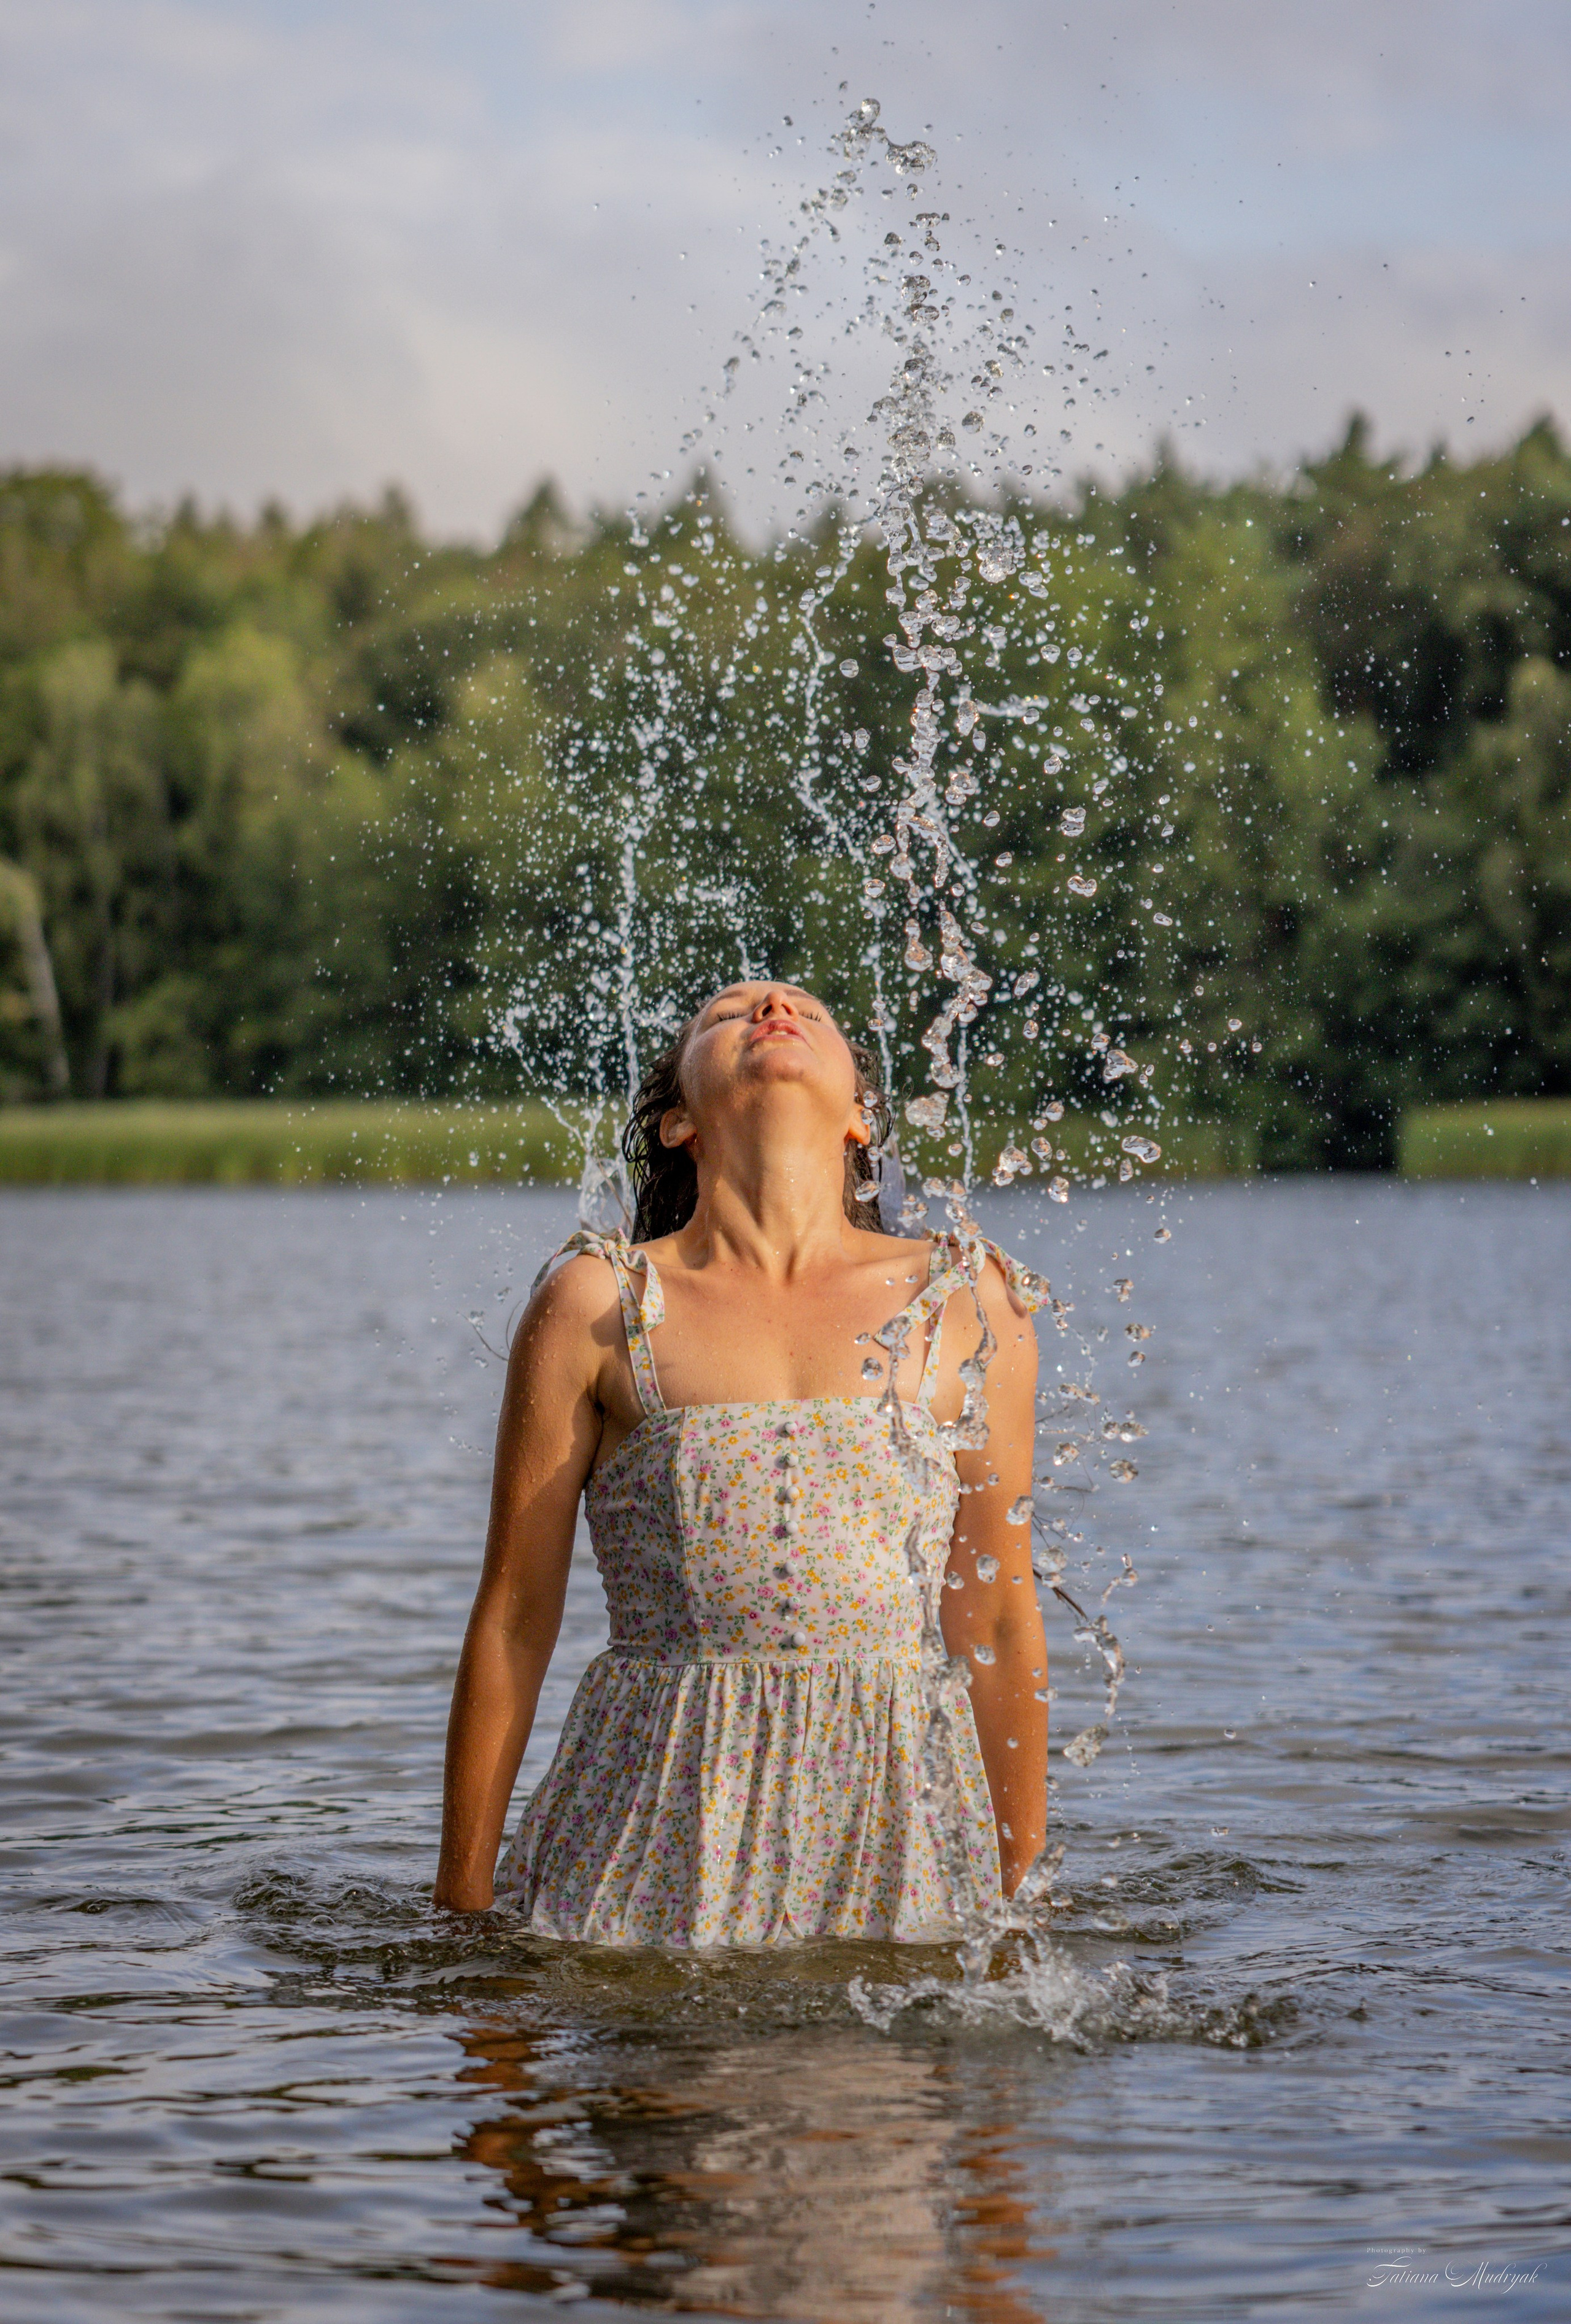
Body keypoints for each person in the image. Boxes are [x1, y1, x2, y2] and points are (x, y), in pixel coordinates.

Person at [433, 980, 1049, 1944]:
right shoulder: (601, 1303)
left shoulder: (968, 1301)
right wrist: (458, 1917)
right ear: (679, 1119)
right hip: (656, 1816)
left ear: (861, 1118)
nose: (771, 1010)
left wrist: (1016, 1902)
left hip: (891, 1821)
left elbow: (1001, 1621)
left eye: (810, 1011)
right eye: (727, 1017)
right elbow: (513, 1620)